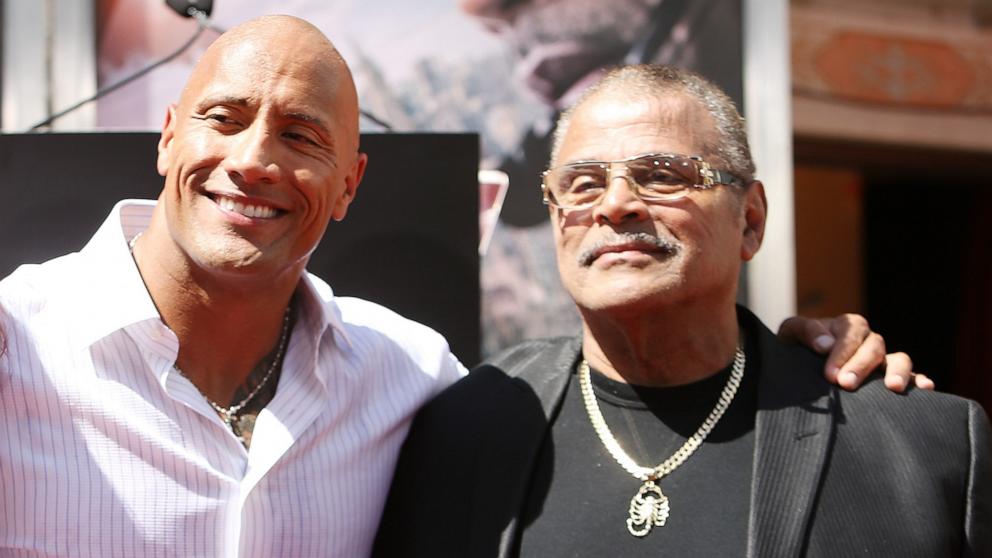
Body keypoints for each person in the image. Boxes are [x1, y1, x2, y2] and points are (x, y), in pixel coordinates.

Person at [0, 16, 928, 558]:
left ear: (350, 185)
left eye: (301, 137)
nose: (254, 161)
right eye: (223, 118)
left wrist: (806, 348)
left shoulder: (414, 379)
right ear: (168, 137)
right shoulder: (16, 347)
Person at [373, 65, 990, 557]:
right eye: (583, 183)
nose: (615, 205)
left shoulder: (920, 449)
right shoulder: (461, 430)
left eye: (663, 175)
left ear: (749, 220)